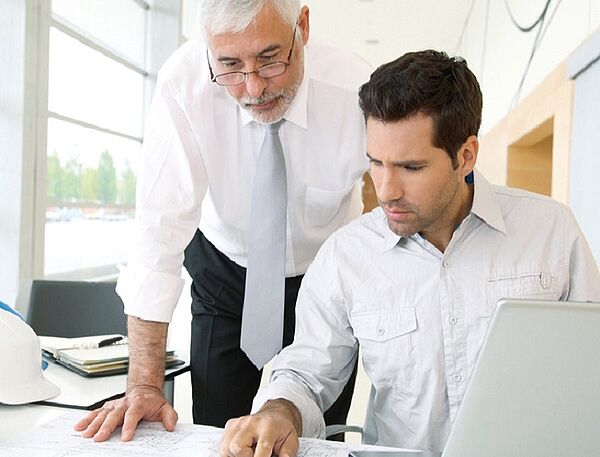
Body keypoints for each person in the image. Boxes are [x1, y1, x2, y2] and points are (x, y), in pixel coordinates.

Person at [219, 50, 600, 456]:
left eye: (411, 168)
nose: (386, 191)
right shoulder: (346, 256)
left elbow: (590, 365)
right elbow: (306, 373)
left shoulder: (550, 231)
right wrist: (279, 411)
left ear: (466, 156)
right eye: (376, 163)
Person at [74, 0, 371, 442]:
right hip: (224, 270)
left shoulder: (356, 91)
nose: (253, 87)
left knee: (314, 437)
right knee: (219, 432)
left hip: (324, 279)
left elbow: (398, 198)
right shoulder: (184, 84)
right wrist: (144, 386)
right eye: (230, 65)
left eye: (270, 59)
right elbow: (157, 238)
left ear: (303, 27)